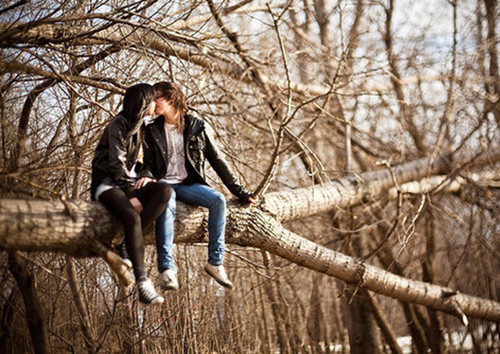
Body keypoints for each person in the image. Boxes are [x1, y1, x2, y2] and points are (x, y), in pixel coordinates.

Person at [136, 81, 256, 291]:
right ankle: (167, 269)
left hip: (188, 184)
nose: (153, 103)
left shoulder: (197, 126)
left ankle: (215, 262)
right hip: (163, 185)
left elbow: (218, 161)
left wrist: (240, 192)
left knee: (217, 199)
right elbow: (144, 163)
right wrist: (145, 175)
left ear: (171, 99)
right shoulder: (150, 129)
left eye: (157, 98)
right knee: (167, 203)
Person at [90, 83, 172, 305]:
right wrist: (130, 194)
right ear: (144, 102)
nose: (156, 103)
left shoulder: (142, 128)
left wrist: (146, 174)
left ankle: (127, 241)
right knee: (132, 216)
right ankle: (143, 284)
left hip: (129, 184)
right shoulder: (118, 124)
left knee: (165, 190)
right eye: (153, 99)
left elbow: (146, 163)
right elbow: (116, 164)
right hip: (108, 185)